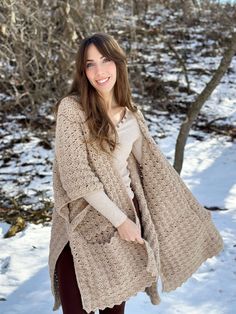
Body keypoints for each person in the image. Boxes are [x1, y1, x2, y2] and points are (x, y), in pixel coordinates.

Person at [48, 33, 224, 314]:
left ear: (118, 63)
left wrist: (191, 211)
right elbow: (77, 178)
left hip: (123, 235)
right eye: (90, 64)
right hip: (83, 234)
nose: (99, 71)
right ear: (83, 71)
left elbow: (155, 172)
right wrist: (121, 221)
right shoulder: (72, 110)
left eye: (105, 61)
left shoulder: (132, 116)